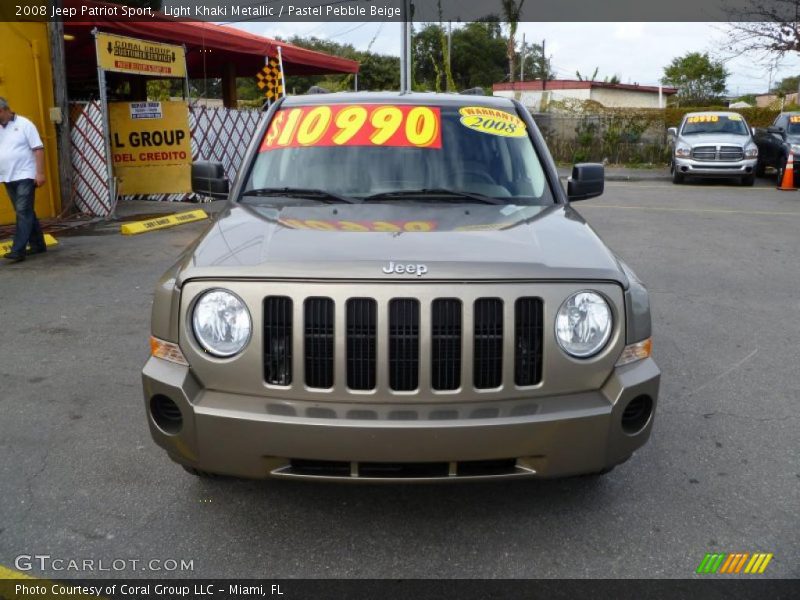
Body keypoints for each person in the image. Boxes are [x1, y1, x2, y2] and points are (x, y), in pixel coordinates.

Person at [0, 97, 47, 262]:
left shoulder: (25, 124)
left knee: (22, 211)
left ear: (4, 110)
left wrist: (40, 173)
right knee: (25, 211)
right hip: (7, 176)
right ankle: (38, 244)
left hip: (25, 174)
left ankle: (18, 249)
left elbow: (38, 149)